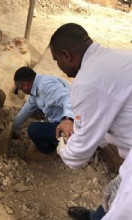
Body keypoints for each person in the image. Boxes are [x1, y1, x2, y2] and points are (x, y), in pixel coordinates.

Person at [50, 23, 132, 219]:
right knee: (114, 195)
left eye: (56, 60)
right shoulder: (118, 57)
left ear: (66, 55)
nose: (59, 67)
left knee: (120, 212)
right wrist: (79, 125)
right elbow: (109, 120)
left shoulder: (86, 82)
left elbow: (76, 156)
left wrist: (62, 145)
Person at [12, 66, 74, 161]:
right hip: (63, 120)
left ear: (25, 85)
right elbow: (27, 109)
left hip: (72, 125)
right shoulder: (35, 87)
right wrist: (12, 127)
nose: (21, 91)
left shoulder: (47, 86)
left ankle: (49, 152)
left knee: (33, 129)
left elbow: (68, 99)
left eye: (20, 88)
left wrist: (67, 119)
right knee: (34, 111)